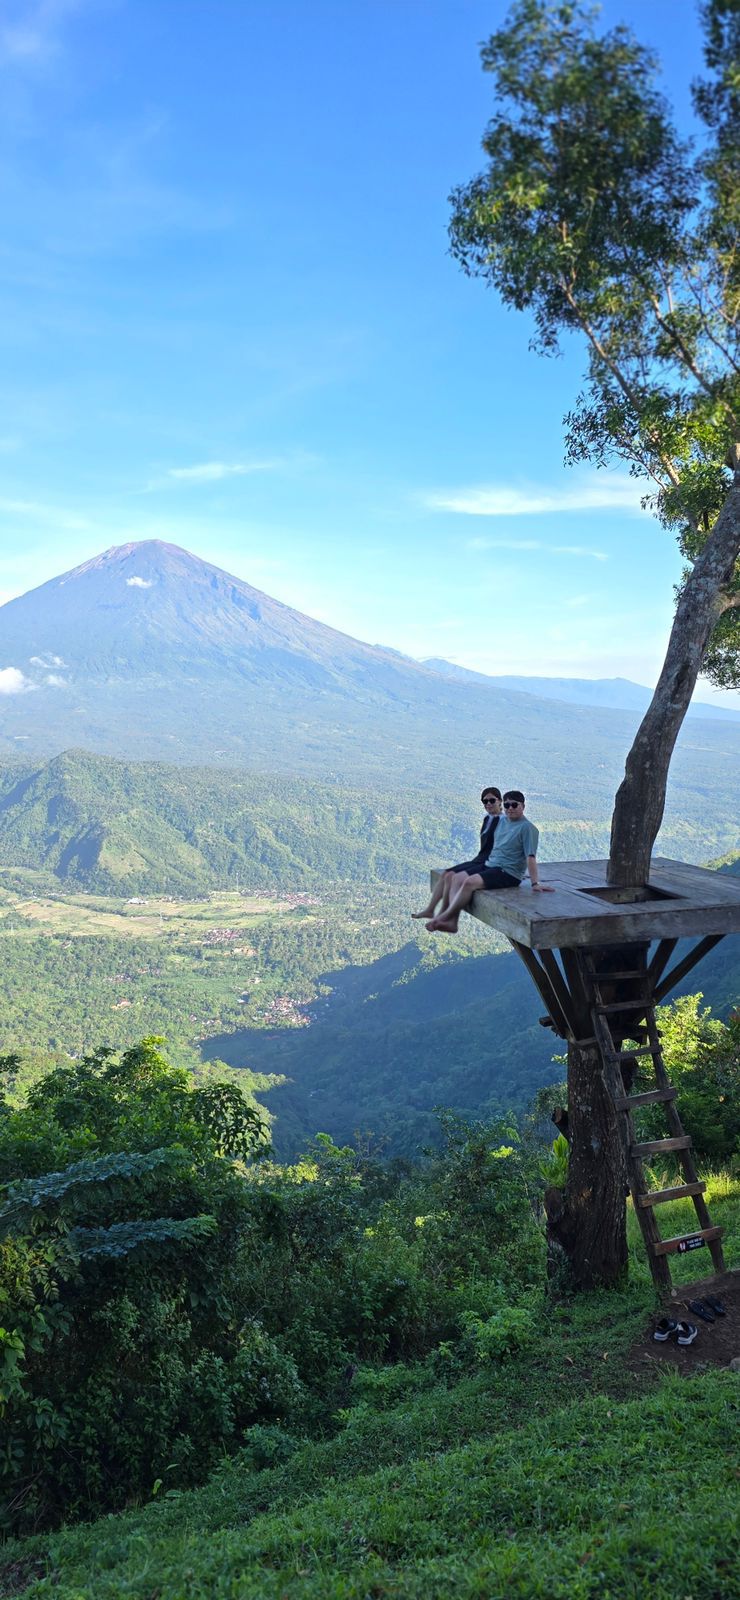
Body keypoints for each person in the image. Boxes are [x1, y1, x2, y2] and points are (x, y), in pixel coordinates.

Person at [425, 790, 553, 933]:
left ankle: (443, 918)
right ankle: (452, 922)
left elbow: (530, 857)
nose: (510, 808)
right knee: (457, 878)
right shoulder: (503, 821)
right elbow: (493, 812)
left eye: (514, 805)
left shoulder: (528, 828)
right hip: (490, 865)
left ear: (523, 806)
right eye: (507, 805)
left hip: (508, 872)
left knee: (469, 882)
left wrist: (535, 883)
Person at [412, 787, 502, 922]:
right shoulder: (488, 819)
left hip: (491, 863)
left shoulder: (504, 821)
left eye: (492, 800)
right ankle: (430, 910)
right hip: (480, 859)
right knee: (446, 874)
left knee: (455, 879)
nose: (488, 804)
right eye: (485, 801)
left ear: (500, 801)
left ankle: (446, 914)